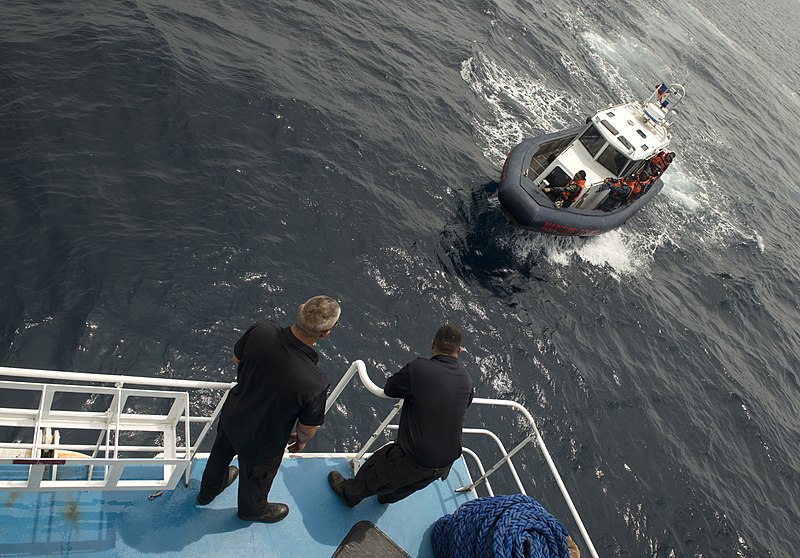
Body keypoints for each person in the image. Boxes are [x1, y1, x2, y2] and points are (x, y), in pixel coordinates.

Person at [197, 295, 341, 523]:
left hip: (234, 416)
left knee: (218, 458)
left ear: (299, 308)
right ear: (325, 333)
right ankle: (251, 511)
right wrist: (301, 441)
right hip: (263, 443)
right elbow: (307, 428)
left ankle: (207, 493)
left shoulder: (262, 329)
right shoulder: (315, 383)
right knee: (257, 479)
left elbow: (236, 359)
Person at [328, 325, 473, 507]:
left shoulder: (419, 368)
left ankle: (348, 495)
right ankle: (386, 498)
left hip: (416, 456)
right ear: (459, 351)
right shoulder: (466, 379)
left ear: (433, 344)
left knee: (376, 470)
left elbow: (390, 389)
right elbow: (464, 404)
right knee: (411, 484)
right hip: (446, 462)